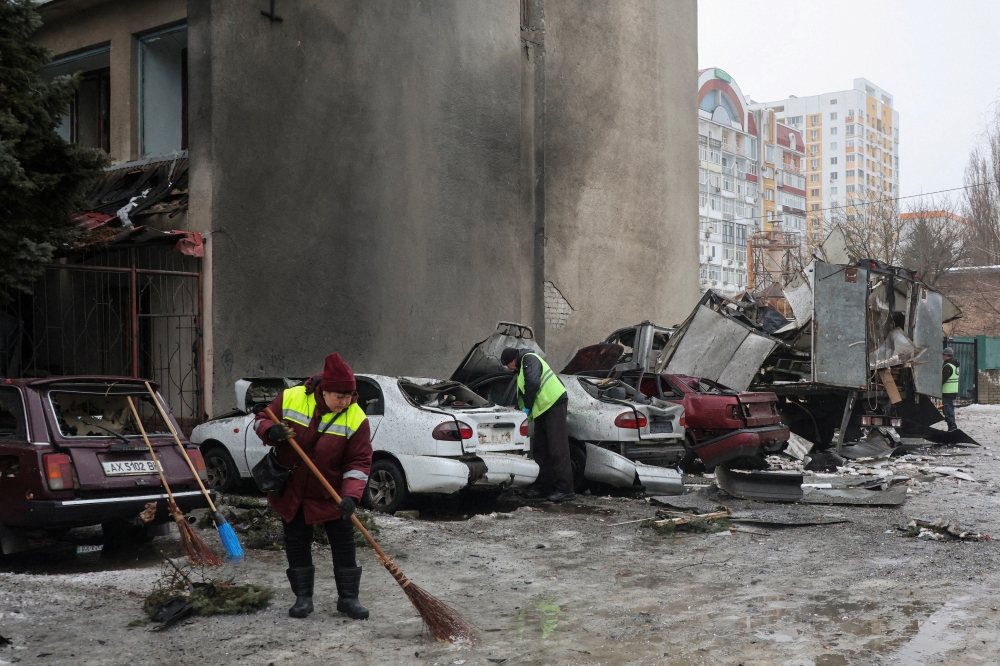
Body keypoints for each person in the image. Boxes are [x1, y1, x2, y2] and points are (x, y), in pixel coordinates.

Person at [254, 353, 373, 620]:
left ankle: (348, 599)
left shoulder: (356, 417)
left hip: (330, 491)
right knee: (297, 542)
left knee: (343, 543)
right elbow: (262, 418)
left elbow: (359, 461)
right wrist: (271, 432)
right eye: (339, 396)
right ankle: (303, 599)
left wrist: (351, 496)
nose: (344, 403)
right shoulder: (293, 397)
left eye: (349, 396)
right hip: (293, 489)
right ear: (324, 389)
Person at [500, 347, 575, 502]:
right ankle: (543, 488)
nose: (509, 369)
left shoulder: (529, 359)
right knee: (541, 449)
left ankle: (565, 490)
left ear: (513, 360)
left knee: (557, 448)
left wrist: (527, 406)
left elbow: (533, 383)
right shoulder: (521, 367)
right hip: (543, 409)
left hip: (554, 403)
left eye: (508, 365)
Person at [941, 347, 960, 432]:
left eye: (943, 355)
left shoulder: (948, 366)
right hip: (953, 390)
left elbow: (943, 379)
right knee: (948, 409)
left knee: (948, 409)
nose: (942, 356)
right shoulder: (954, 364)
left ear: (946, 355)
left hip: (947, 391)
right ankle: (951, 426)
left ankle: (952, 427)